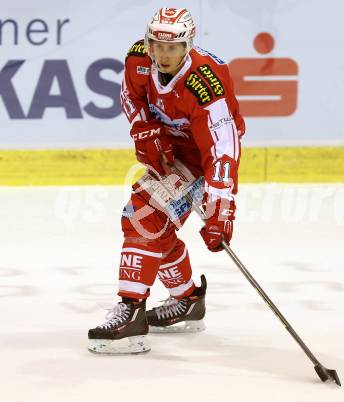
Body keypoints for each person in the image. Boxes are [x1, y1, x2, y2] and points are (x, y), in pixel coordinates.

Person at [88, 7, 245, 354]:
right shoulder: (137, 59)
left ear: (188, 46)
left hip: (198, 160)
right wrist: (142, 127)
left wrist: (221, 208)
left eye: (173, 47)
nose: (164, 54)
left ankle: (132, 313)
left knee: (143, 219)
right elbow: (130, 96)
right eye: (157, 44)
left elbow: (222, 149)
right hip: (170, 152)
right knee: (148, 222)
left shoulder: (205, 83)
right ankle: (187, 300)